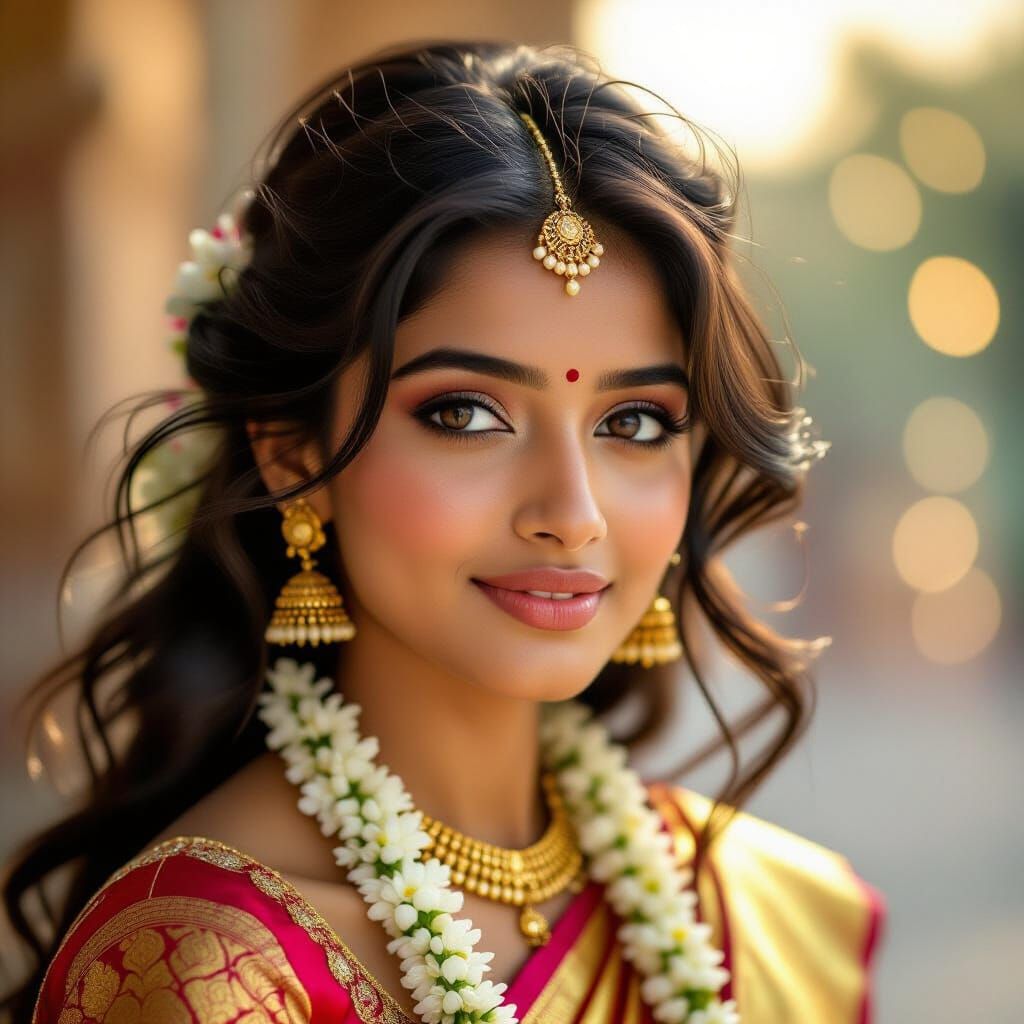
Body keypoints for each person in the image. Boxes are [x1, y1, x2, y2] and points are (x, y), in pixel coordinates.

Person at [2, 40, 885, 1024]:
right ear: (294, 451)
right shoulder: (205, 965)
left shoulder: (758, 922)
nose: (572, 512)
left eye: (633, 423)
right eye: (466, 414)